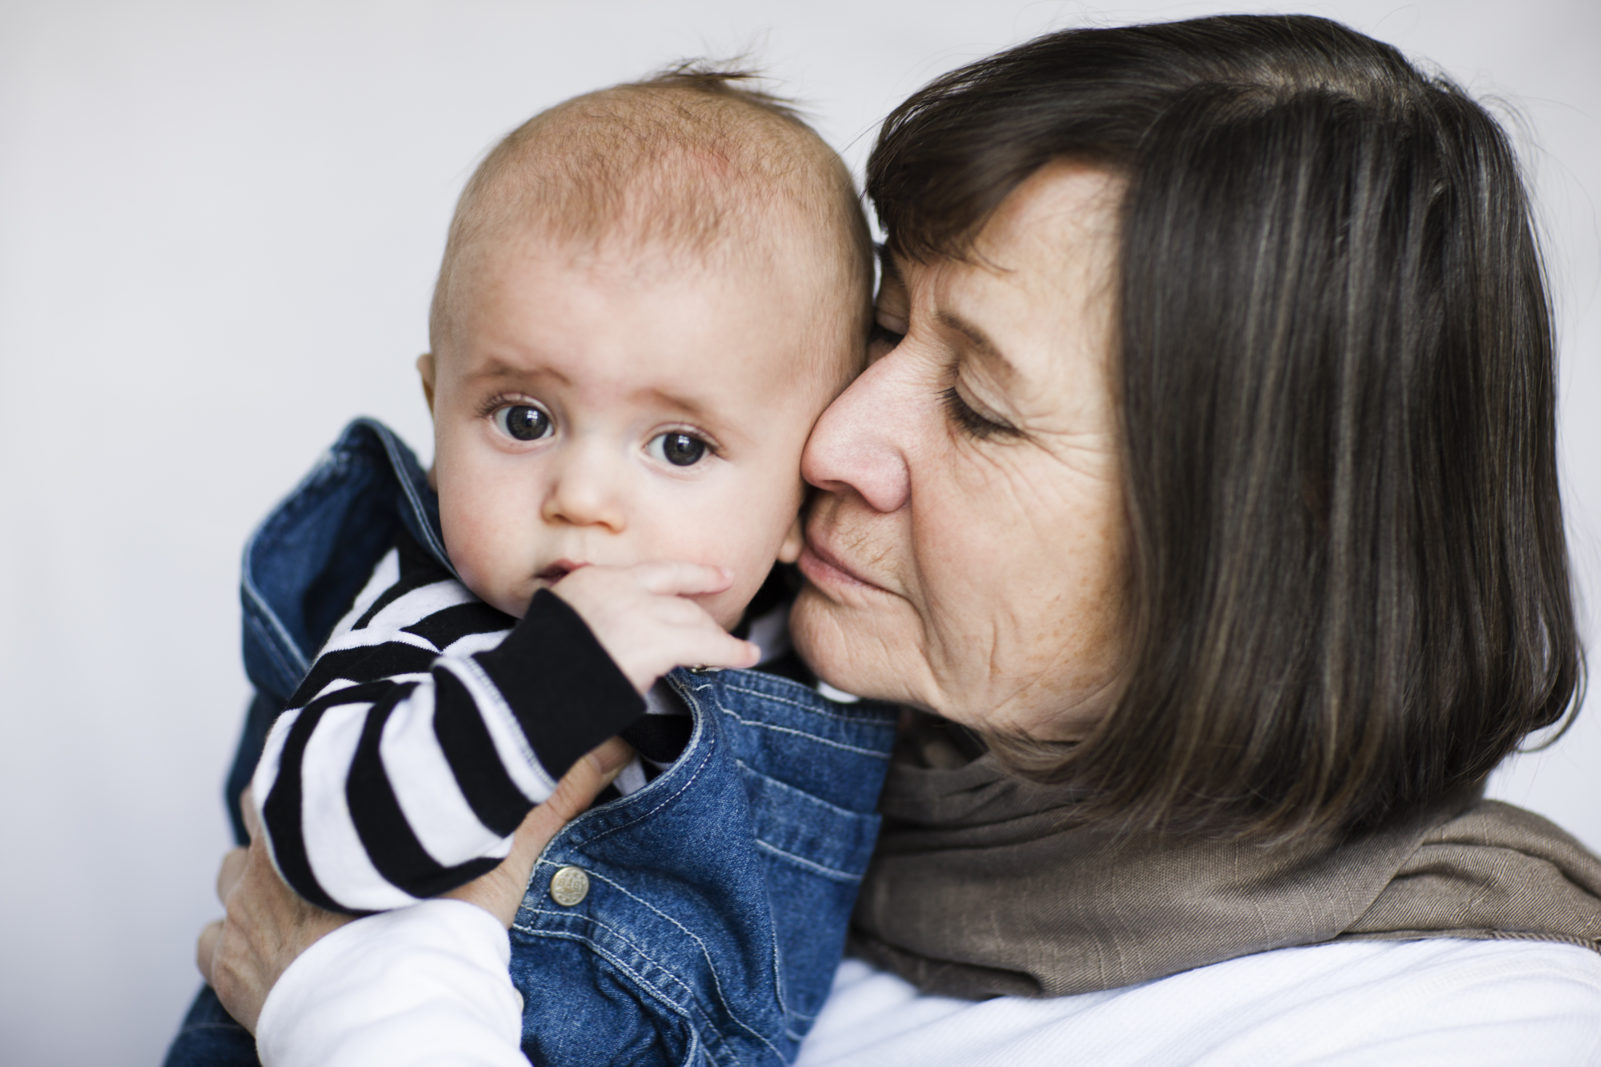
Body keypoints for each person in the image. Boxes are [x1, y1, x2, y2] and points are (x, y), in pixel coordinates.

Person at [195, 14, 1601, 1065]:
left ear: (1267, 543)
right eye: (880, 331)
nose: (833, 440)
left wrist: (345, 992)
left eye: (978, 406)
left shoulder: (1464, 1022)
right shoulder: (789, 795)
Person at [167, 67, 902, 1066]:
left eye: (679, 445)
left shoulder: (804, 664)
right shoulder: (433, 626)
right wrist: (552, 684)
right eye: (524, 419)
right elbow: (312, 837)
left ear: (797, 495)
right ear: (436, 412)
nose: (582, 496)